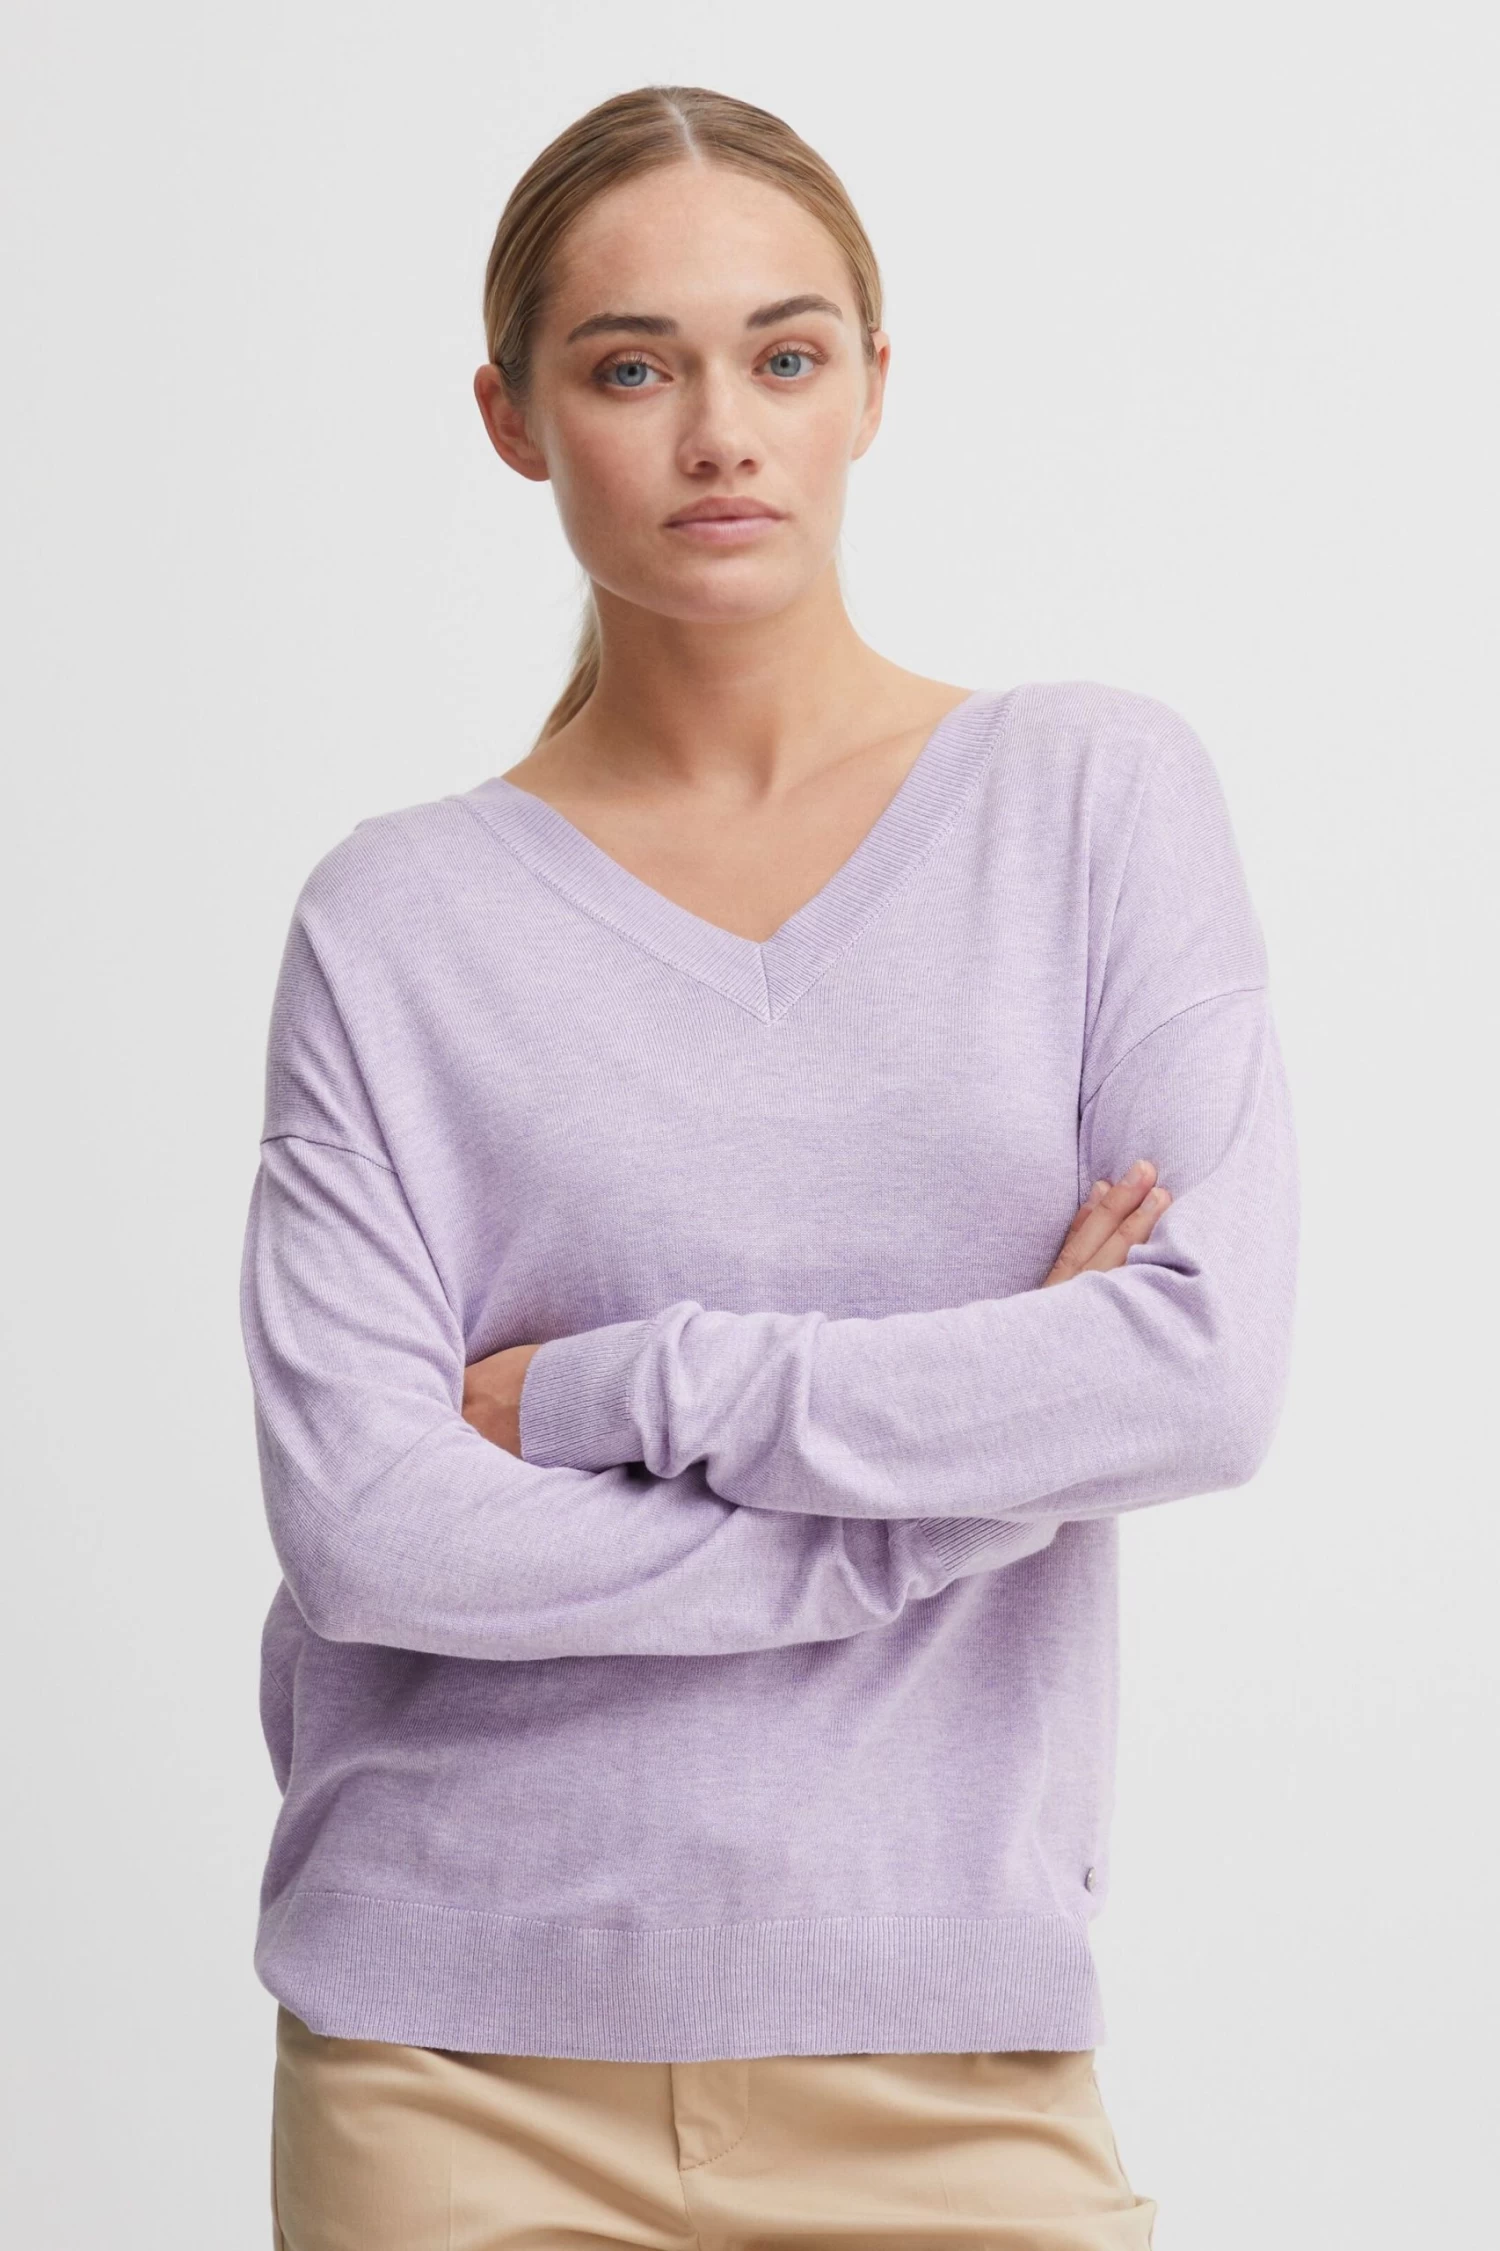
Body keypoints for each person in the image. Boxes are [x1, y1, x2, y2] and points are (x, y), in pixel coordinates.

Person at [242, 82, 1298, 2250]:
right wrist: (967, 1477)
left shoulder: (1089, 801)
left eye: (783, 356)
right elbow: (370, 1531)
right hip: (445, 2068)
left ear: (871, 389)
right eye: (633, 368)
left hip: (951, 2055)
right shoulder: (395, 922)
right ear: (514, 417)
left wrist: (606, 1394)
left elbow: (1196, 1379)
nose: (721, 433)